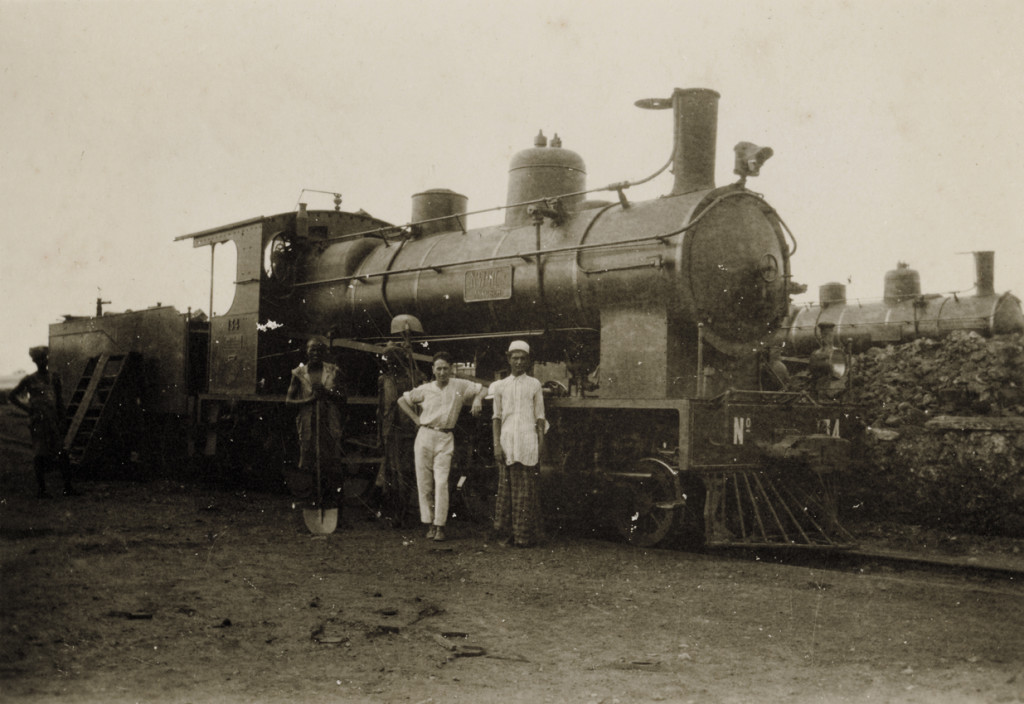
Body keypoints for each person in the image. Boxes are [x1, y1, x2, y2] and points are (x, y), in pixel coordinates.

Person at [397, 351, 486, 542]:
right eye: (439, 368)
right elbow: (402, 400)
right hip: (425, 436)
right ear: (433, 370)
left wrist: (478, 399)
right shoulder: (426, 388)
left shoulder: (460, 385)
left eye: (446, 368)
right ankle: (429, 524)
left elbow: (482, 389)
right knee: (424, 483)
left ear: (451, 369)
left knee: (441, 481)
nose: (442, 372)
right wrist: (416, 419)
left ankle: (440, 526)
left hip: (445, 438)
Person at [489, 340, 547, 547]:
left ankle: (524, 537)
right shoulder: (500, 386)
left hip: (527, 442)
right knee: (506, 492)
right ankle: (505, 536)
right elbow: (496, 417)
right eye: (515, 358)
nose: (519, 362)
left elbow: (540, 416)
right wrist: (496, 445)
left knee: (526, 492)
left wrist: (540, 443)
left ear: (528, 360)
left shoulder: (534, 384)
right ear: (508, 359)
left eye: (523, 358)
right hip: (506, 443)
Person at [285, 337, 347, 519]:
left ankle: (333, 509)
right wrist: (309, 400)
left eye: (319, 350)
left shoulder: (333, 371)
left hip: (329, 425)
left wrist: (327, 393)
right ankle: (310, 508)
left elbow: (344, 398)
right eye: (312, 350)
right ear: (306, 351)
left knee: (331, 465)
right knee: (308, 465)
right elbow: (288, 402)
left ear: (324, 352)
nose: (315, 353)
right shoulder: (299, 373)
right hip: (308, 425)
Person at [9, 346, 76, 498]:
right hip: (38, 422)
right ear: (34, 361)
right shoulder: (29, 379)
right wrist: (28, 410)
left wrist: (62, 419)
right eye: (39, 359)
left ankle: (68, 487)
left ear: (47, 359)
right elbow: (12, 396)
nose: (42, 361)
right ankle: (42, 490)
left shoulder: (55, 377)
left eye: (44, 358)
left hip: (53, 420)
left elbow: (59, 400)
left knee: (62, 452)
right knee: (39, 454)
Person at [374, 343, 425, 527]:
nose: (388, 362)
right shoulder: (384, 380)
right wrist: (380, 435)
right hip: (390, 432)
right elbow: (381, 409)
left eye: (392, 358)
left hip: (409, 432)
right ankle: (393, 513)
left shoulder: (415, 377)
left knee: (406, 473)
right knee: (391, 474)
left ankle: (405, 513)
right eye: (387, 358)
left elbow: (423, 404)